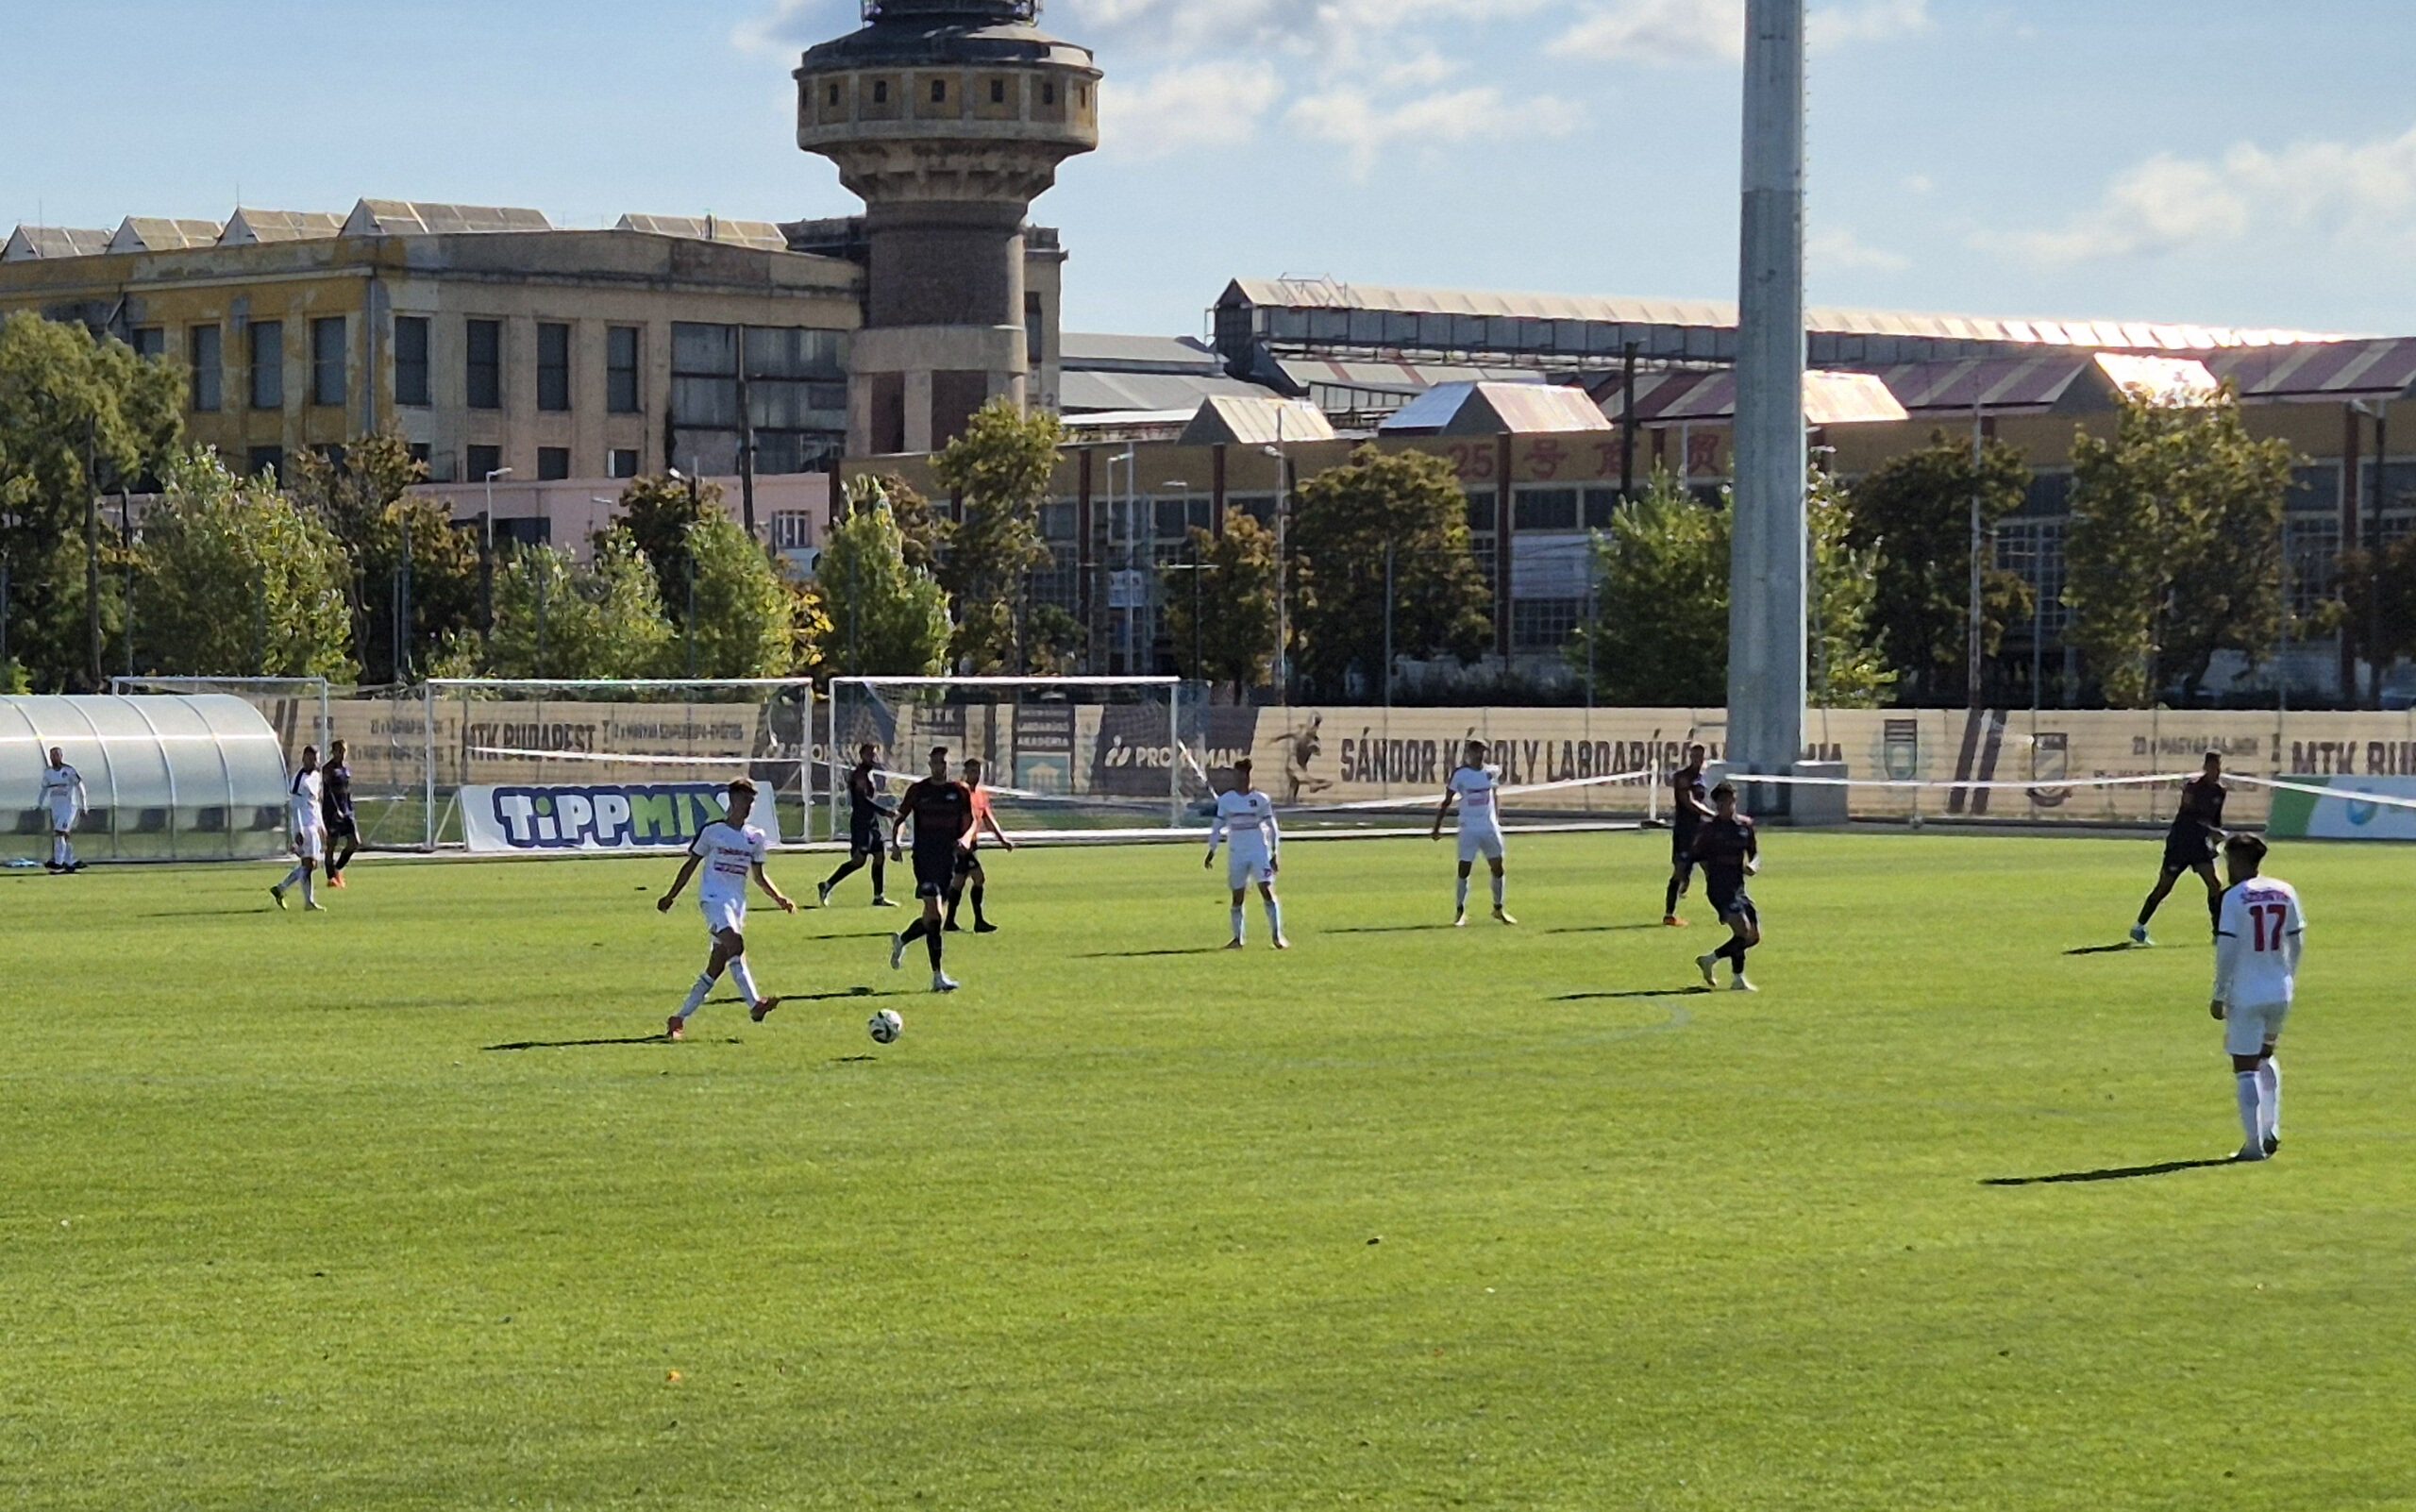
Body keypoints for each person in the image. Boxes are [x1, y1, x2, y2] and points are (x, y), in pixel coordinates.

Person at [656, 776, 796, 1042]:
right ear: (732, 800)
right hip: (713, 900)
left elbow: (759, 876)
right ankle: (755, 1004)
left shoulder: (755, 837)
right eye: (745, 799)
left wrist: (780, 898)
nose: (749, 805)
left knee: (715, 967)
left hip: (736, 904)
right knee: (735, 944)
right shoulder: (713, 832)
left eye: (752, 801)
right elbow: (691, 865)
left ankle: (678, 1018)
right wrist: (671, 896)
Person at [2210, 833, 2305, 1163]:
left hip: (2246, 992)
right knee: (2266, 1055)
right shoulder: (2285, 890)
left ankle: (2253, 1145)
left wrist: (2219, 993)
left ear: (2238, 861)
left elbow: (2227, 950)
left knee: (2244, 1066)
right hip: (2279, 990)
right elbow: (2297, 942)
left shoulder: (2234, 899)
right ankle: (2271, 1128)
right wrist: (2288, 978)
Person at [887, 747, 976, 993]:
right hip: (924, 859)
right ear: (930, 764)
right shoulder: (919, 790)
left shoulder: (959, 791)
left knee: (932, 919)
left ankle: (902, 940)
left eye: (944, 763)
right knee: (935, 913)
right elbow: (900, 819)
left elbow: (972, 821)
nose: (940, 767)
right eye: (936, 762)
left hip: (948, 860)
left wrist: (967, 839)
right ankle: (937, 976)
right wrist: (896, 844)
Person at [2133, 751, 2229, 946]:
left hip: (2200, 845)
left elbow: (2216, 820)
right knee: (2164, 887)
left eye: (2219, 767)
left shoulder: (2220, 792)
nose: (2216, 771)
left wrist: (2217, 837)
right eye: (2213, 767)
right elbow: (2187, 817)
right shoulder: (2192, 788)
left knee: (2214, 885)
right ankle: (2139, 927)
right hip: (2181, 842)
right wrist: (2211, 831)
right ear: (2205, 768)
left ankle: (2218, 934)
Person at [1204, 756, 1286, 949]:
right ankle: (1237, 939)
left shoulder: (1260, 800)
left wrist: (1275, 852)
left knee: (1266, 889)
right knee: (1237, 896)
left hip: (1259, 851)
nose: (1239, 778)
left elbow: (1272, 826)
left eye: (1242, 774)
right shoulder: (1227, 800)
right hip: (1237, 852)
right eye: (1237, 774)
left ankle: (1277, 936)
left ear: (1248, 774)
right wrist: (1212, 850)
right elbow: (1217, 826)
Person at [1430, 739, 1515, 927]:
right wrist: (1437, 826)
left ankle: (1498, 908)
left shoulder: (1491, 772)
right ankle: (1460, 911)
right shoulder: (1461, 775)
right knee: (1464, 869)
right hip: (1469, 827)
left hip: (1489, 827)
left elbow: (1494, 796)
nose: (1480, 754)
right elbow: (1447, 801)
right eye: (1477, 751)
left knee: (1498, 867)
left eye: (1483, 751)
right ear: (1469, 753)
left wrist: (1496, 820)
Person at [1690, 782, 1761, 992]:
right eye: (1721, 802)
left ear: (1734, 801)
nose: (1725, 806)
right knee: (1743, 930)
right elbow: (1697, 857)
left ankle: (1710, 960)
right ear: (1716, 803)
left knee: (1753, 937)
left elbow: (1755, 853)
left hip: (1739, 888)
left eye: (1728, 801)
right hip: (1719, 889)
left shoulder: (1744, 826)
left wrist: (1753, 866)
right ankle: (1737, 978)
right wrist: (1710, 875)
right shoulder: (1709, 829)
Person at [817, 744, 898, 908]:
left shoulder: (869, 774)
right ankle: (827, 884)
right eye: (870, 755)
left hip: (871, 822)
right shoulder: (860, 775)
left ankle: (878, 896)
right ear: (862, 755)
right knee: (858, 861)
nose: (873, 758)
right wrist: (884, 812)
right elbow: (862, 801)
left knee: (880, 855)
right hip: (861, 823)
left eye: (875, 755)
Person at [944, 757, 1014, 933]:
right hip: (961, 845)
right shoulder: (960, 791)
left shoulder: (980, 794)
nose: (976, 775)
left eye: (978, 771)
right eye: (973, 771)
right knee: (978, 877)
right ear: (966, 772)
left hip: (972, 844)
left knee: (959, 882)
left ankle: (950, 922)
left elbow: (987, 818)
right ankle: (978, 921)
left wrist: (1002, 839)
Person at [270, 746, 328, 913]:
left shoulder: (316, 776)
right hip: (304, 826)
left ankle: (281, 889)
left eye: (315, 758)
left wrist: (321, 825)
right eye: (310, 758)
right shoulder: (298, 779)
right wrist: (298, 831)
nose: (313, 762)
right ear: (303, 759)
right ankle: (307, 901)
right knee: (308, 864)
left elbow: (315, 804)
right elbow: (295, 807)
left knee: (311, 865)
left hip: (313, 825)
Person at [1664, 743, 1714, 926]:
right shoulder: (1682, 777)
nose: (1698, 760)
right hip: (1685, 832)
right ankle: (1669, 914)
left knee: (1712, 870)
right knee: (1680, 873)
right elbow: (1689, 802)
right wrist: (1713, 815)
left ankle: (1725, 910)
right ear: (1690, 757)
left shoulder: (1702, 778)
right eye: (1695, 756)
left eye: (1701, 756)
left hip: (1701, 832)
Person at [39, 746, 87, 873]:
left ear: (61, 756)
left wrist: (84, 805)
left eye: (56, 755)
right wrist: (39, 804)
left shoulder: (69, 771)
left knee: (59, 833)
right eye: (52, 755)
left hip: (69, 807)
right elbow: (44, 789)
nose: (54, 758)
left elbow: (80, 786)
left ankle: (58, 864)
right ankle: (70, 861)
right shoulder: (48, 773)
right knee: (63, 835)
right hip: (56, 809)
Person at [321, 738, 360, 887]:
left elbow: (347, 791)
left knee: (354, 842)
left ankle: (338, 869)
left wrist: (349, 807)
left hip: (347, 810)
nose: (343, 754)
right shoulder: (328, 769)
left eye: (344, 751)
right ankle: (331, 878)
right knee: (331, 845)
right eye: (340, 751)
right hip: (332, 811)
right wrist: (335, 809)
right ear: (334, 752)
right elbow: (329, 791)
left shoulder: (346, 768)